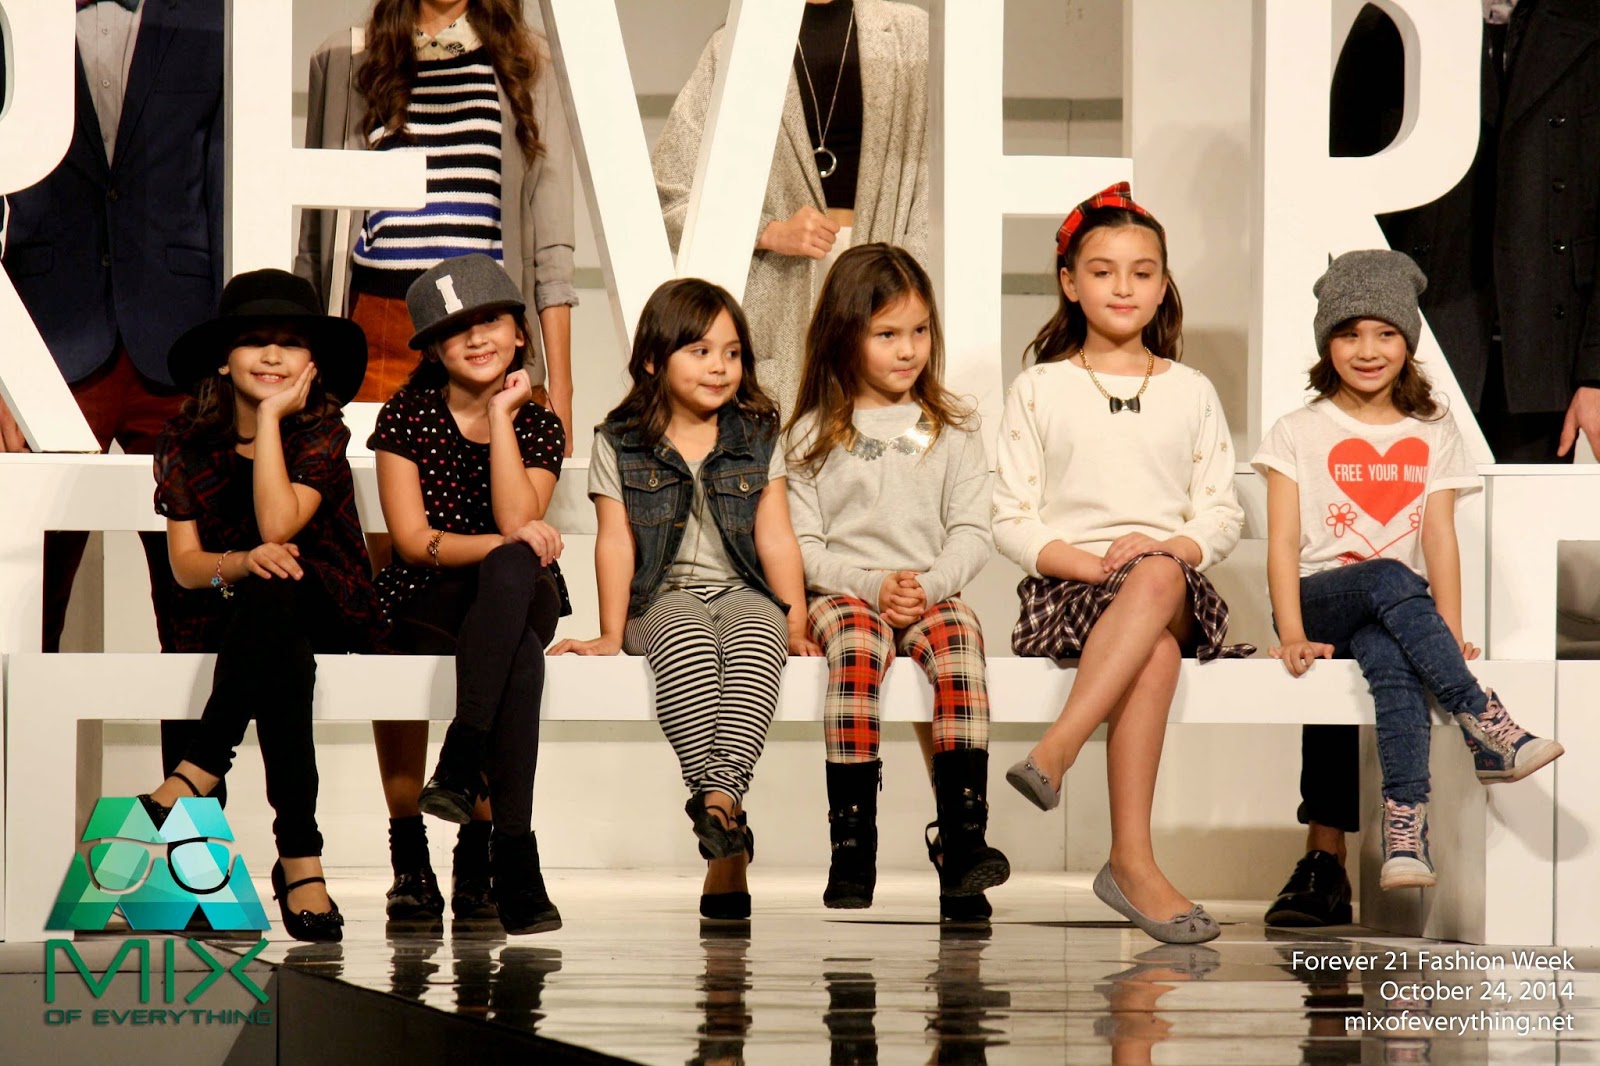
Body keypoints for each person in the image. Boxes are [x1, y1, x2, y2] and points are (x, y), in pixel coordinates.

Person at [1253, 250, 1563, 912]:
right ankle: (1483, 718)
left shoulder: (1433, 428)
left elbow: (1440, 535)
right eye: (1349, 333)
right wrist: (1292, 632)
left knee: (1393, 663)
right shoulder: (1297, 431)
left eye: (1385, 333)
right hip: (1319, 601)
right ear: (1327, 343)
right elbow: (1281, 543)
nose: (1367, 350)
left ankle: (1405, 829)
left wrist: (1446, 632)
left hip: (1394, 613)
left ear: (1409, 341)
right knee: (1390, 575)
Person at [992, 183, 1249, 945]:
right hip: (1071, 591)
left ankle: (1058, 747)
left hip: (1174, 584)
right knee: (1155, 652)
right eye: (1103, 271)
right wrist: (1096, 566)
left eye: (1142, 272)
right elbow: (1012, 519)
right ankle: (1131, 862)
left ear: (1164, 285)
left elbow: (1221, 514)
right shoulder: (1040, 388)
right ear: (1070, 283)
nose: (1124, 287)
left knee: (1159, 573)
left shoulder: (1191, 391)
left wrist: (1166, 551)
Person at [0, 1, 225, 794]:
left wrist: (231, 351)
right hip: (45, 343)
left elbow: (227, 179)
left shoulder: (210, 18)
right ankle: (12, 828)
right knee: (22, 597)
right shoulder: (14, 17)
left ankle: (195, 838)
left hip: (181, 344)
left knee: (196, 605)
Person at [553, 278, 816, 921]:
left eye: (732, 353)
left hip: (742, 589)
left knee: (756, 637)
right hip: (660, 596)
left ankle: (715, 805)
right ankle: (725, 808)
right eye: (700, 352)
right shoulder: (620, 439)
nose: (719, 367)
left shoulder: (757, 433)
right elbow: (616, 541)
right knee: (688, 640)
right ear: (653, 360)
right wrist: (610, 631)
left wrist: (795, 623)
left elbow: (776, 536)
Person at [136, 269, 383, 943]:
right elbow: (185, 565)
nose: (273, 355)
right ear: (224, 358)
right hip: (225, 605)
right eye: (255, 340)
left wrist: (272, 419)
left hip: (324, 601)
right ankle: (299, 859)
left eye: (291, 343)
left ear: (312, 364)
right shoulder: (185, 439)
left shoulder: (322, 431)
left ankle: (197, 770)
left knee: (278, 592)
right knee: (274, 644)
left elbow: (278, 525)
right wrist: (241, 564)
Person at [784, 243, 1008, 921]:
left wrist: (931, 586)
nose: (908, 349)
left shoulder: (954, 430)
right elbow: (805, 548)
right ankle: (853, 843)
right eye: (886, 334)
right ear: (844, 336)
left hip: (929, 594)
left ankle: (963, 839)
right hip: (846, 597)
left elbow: (973, 530)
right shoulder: (811, 436)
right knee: (856, 652)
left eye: (919, 331)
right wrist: (873, 585)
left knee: (961, 646)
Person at [368, 254, 569, 935]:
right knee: (520, 654)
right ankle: (504, 857)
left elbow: (517, 517)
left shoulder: (537, 423)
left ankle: (461, 758)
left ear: (520, 332)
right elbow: (411, 541)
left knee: (512, 573)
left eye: (491, 321)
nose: (478, 337)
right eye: (457, 329)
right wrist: (503, 546)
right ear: (432, 349)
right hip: (431, 593)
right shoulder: (407, 416)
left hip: (518, 591)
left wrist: (504, 416)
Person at [296, 0, 578, 447]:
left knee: (491, 487)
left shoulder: (527, 60)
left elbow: (552, 244)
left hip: (483, 328)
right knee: (370, 486)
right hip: (382, 327)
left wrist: (561, 389)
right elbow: (315, 240)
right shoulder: (346, 58)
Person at [1330, 1, 1600, 463]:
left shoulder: (1587, 23)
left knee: (1524, 509)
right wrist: (1357, 342)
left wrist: (1596, 373)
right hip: (1422, 331)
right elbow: (1341, 189)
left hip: (1546, 346)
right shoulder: (1392, 23)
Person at [653, 0, 929, 419]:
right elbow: (671, 192)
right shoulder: (735, 44)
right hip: (782, 294)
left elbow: (942, 178)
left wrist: (906, 272)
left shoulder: (911, 34)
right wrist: (769, 232)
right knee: (787, 443)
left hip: (890, 282)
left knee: (879, 440)